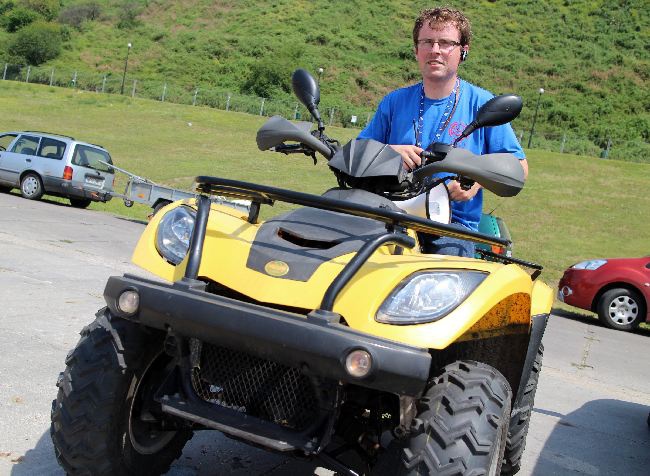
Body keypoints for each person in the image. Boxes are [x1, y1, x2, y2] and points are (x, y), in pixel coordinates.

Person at [358, 6, 528, 257]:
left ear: (463, 51)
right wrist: (389, 151)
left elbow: (520, 168)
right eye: (427, 41)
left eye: (446, 43)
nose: (435, 50)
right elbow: (358, 153)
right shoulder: (394, 102)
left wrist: (476, 182)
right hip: (391, 214)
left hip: (452, 225)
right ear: (416, 49)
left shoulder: (482, 104)